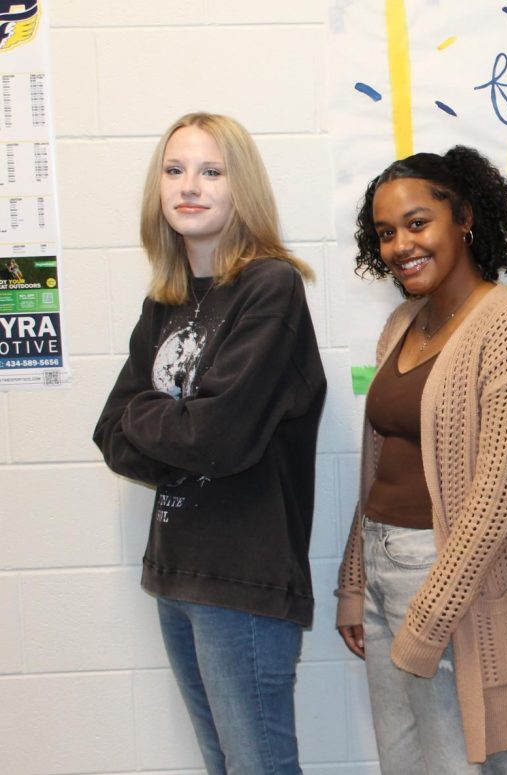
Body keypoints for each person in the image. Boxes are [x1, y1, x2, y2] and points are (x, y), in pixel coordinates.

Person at [93, 112, 326, 774]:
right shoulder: (164, 300)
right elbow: (111, 431)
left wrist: (160, 413)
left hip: (243, 578)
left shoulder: (270, 287)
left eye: (210, 171)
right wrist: (177, 421)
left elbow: (218, 438)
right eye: (175, 170)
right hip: (175, 570)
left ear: (239, 186)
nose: (189, 186)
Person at [334, 147, 507, 774]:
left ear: (464, 218)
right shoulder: (404, 321)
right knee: (404, 763)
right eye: (384, 233)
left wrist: (431, 614)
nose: (401, 244)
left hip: (449, 578)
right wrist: (355, 579)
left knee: (463, 762)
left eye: (416, 222)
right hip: (383, 563)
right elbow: (380, 460)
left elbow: (503, 492)